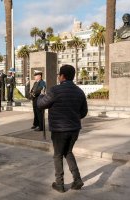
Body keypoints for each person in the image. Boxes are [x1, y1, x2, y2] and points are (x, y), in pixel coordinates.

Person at [37, 65, 88, 193]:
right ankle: (77, 180)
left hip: (59, 130)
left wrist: (41, 96)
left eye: (59, 75)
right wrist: (74, 117)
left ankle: (59, 183)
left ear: (62, 76)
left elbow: (41, 104)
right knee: (68, 152)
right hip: (74, 129)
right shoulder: (79, 91)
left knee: (58, 155)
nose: (58, 77)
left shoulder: (55, 90)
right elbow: (84, 112)